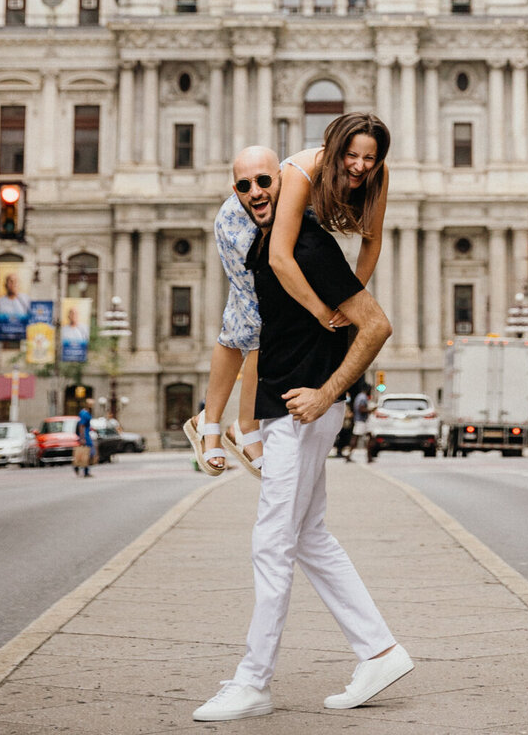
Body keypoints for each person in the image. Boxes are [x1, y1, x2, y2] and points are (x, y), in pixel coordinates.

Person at [193, 134, 412, 723]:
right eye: (244, 187)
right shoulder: (269, 249)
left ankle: (253, 682)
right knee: (310, 537)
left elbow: (375, 324)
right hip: (285, 407)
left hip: (302, 408)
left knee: (272, 542)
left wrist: (326, 393)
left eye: (267, 182)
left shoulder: (310, 248)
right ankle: (380, 652)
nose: (256, 194)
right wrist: (236, 420)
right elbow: (243, 331)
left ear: (291, 182)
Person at [186, 115, 390, 477]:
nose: (360, 165)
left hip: (279, 223)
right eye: (352, 155)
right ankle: (214, 423)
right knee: (251, 320)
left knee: (257, 322)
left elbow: (372, 240)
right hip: (244, 222)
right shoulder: (302, 171)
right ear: (335, 150)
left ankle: (239, 425)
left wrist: (353, 293)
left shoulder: (377, 175)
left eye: (369, 158)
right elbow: (280, 258)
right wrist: (322, 311)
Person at [74, 402, 96, 478]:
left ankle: (85, 470)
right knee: (88, 453)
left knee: (88, 453)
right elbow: (81, 426)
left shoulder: (85, 413)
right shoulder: (84, 414)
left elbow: (86, 425)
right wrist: (82, 438)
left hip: (87, 434)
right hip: (85, 436)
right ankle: (78, 466)